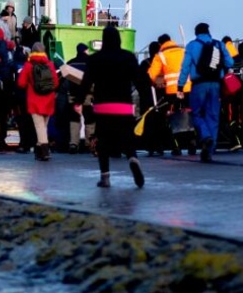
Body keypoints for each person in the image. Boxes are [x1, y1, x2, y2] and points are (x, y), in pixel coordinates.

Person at [83, 25, 145, 188]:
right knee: (127, 138)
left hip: (103, 107)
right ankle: (132, 158)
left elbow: (86, 82)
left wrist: (78, 101)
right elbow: (140, 81)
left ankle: (105, 177)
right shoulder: (128, 57)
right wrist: (146, 99)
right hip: (124, 106)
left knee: (103, 142)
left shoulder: (95, 59)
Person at [177, 22, 233, 162]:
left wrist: (180, 86)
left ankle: (205, 136)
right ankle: (210, 149)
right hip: (216, 85)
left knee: (196, 113)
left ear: (196, 33)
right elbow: (230, 63)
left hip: (198, 85)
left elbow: (185, 67)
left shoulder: (192, 45)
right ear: (208, 32)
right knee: (213, 116)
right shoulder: (219, 45)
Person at [16, 41, 58, 161]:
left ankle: (44, 151)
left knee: (39, 127)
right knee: (43, 126)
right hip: (49, 99)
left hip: (34, 100)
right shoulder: (50, 64)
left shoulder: (29, 65)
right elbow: (55, 82)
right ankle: (39, 151)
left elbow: (21, 83)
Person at [146, 34, 188, 156]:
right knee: (188, 116)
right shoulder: (183, 51)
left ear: (160, 44)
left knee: (173, 118)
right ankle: (192, 143)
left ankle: (176, 146)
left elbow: (151, 75)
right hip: (188, 88)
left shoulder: (161, 55)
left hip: (172, 91)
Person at [64, 43, 91, 153]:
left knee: (74, 120)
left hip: (73, 96)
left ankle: (74, 143)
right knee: (90, 120)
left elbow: (64, 79)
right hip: (88, 96)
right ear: (85, 50)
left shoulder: (71, 62)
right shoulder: (91, 62)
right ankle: (89, 143)